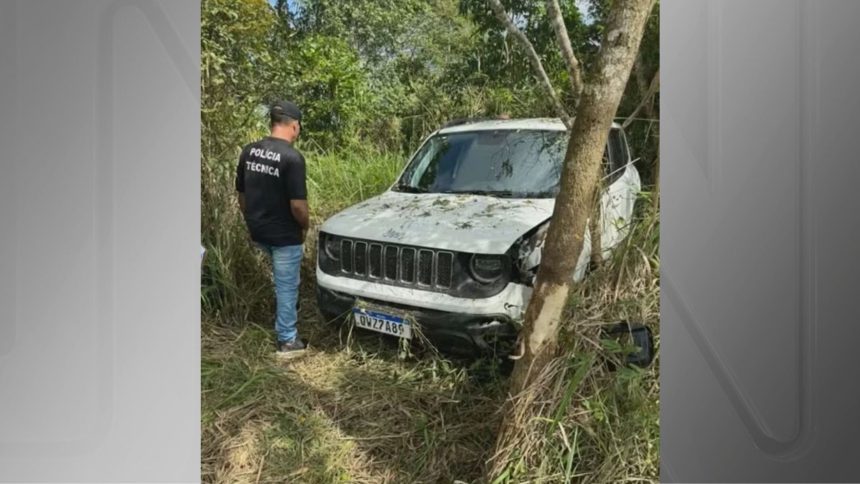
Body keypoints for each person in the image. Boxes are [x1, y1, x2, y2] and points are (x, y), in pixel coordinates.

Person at [235, 100, 310, 358]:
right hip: (284, 236)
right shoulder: (292, 158)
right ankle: (287, 340)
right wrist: (306, 227)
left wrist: (251, 219)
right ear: (295, 126)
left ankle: (283, 314)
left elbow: (241, 195)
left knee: (280, 282)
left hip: (258, 231)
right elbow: (298, 207)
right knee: (288, 285)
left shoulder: (249, 151)